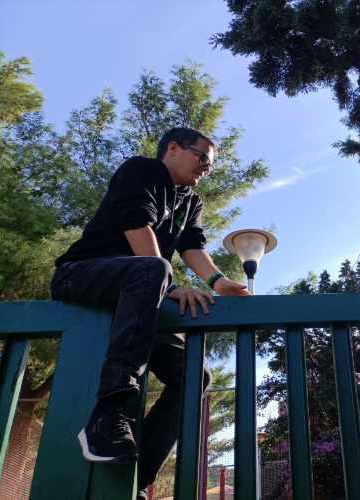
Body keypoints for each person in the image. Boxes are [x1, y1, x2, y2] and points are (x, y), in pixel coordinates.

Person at [50, 127, 250, 500]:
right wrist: (169, 286)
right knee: (153, 269)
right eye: (202, 158)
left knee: (195, 376)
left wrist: (219, 282)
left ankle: (135, 480)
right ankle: (109, 415)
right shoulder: (141, 170)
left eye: (210, 165)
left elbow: (192, 247)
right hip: (82, 274)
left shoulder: (191, 201)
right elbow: (136, 225)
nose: (205, 168)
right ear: (173, 148)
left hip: (140, 294)